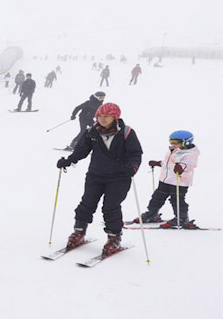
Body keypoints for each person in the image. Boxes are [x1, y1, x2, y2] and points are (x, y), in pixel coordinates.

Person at [56, 102, 142, 256]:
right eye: (100, 116)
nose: (102, 119)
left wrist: (133, 166)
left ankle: (114, 237)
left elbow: (135, 153)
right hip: (95, 175)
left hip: (119, 177)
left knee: (111, 207)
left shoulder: (126, 132)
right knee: (86, 204)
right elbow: (81, 150)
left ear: (115, 117)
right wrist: (69, 160)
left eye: (106, 116)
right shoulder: (92, 132)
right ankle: (79, 232)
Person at [137, 130, 200, 229]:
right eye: (171, 142)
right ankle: (152, 214)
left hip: (179, 181)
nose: (172, 144)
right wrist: (159, 163)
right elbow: (168, 162)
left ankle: (182, 218)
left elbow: (189, 165)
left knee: (177, 200)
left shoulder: (190, 154)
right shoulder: (172, 150)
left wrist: (181, 167)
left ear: (186, 142)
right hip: (165, 180)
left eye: (175, 142)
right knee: (157, 197)